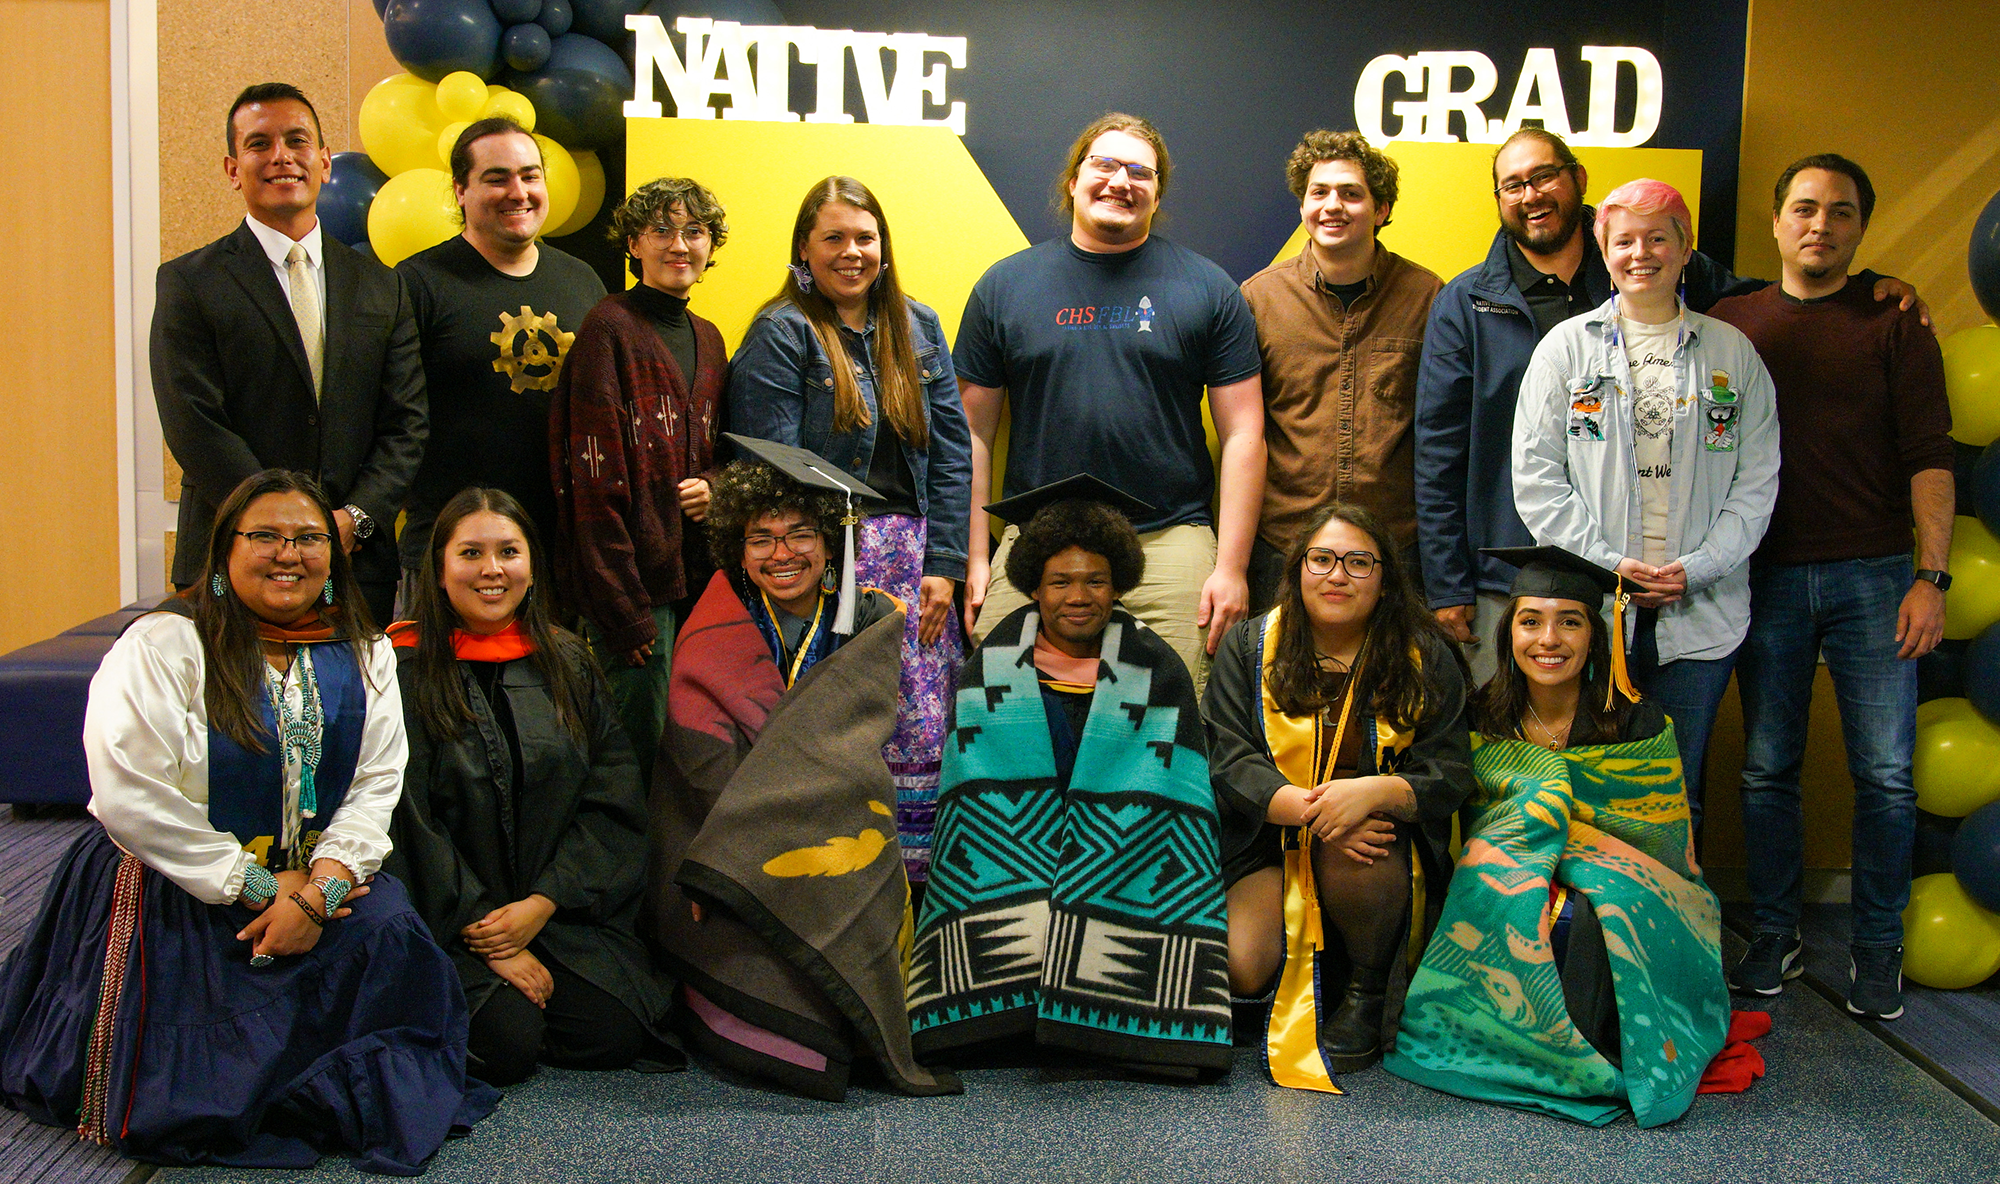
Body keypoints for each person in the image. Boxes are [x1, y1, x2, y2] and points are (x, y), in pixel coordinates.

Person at [0, 470, 493, 1173]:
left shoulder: (365, 651)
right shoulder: (164, 646)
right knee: (189, 1072)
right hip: (177, 875)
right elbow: (128, 795)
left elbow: (377, 783)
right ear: (225, 550)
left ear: (334, 554)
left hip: (319, 882)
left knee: (387, 929)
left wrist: (320, 891)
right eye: (264, 536)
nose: (287, 553)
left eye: (307, 538)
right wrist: (260, 888)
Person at [1414, 127, 1919, 685]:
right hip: (1508, 573)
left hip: (1674, 592)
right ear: (1499, 200)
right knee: (1534, 754)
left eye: (1544, 176)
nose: (1530, 194)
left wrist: (1865, 286)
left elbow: (1779, 297)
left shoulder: (1663, 265)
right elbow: (1439, 450)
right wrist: (1447, 584)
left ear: (1577, 179)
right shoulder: (1467, 300)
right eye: (1514, 184)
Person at [1709, 155, 1954, 1019]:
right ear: (1777, 224)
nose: (1821, 225)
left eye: (1841, 213)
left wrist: (1931, 577)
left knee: (1885, 775)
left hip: (1878, 578)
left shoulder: (1895, 321)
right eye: (1805, 210)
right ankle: (1776, 931)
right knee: (1766, 770)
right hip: (1763, 576)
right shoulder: (1727, 321)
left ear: (1860, 229)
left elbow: (1931, 455)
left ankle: (1877, 946)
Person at [649, 443, 956, 1101]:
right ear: (737, 546)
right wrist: (717, 856)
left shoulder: (870, 616)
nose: (780, 554)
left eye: (799, 535)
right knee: (793, 1040)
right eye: (760, 538)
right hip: (733, 828)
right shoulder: (719, 616)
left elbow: (853, 733)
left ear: (830, 541)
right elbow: (700, 753)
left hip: (832, 813)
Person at [1385, 547, 1729, 1129]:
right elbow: (1473, 824)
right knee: (1512, 901)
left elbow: (1664, 843)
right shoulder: (1480, 716)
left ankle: (1594, 1053)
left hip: (1629, 876)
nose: (1549, 639)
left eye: (1570, 621)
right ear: (1508, 633)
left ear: (1595, 637)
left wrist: (1585, 862)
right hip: (1508, 865)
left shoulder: (1636, 722)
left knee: (1603, 911)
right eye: (1530, 621)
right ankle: (1516, 1051)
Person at [909, 476, 1234, 1076]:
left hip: (1126, 874)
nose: (1077, 595)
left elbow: (1172, 805)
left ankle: (1115, 1021)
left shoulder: (1157, 671)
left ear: (1119, 587)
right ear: (1034, 585)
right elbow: (971, 805)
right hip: (1012, 877)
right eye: (1060, 581)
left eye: (1095, 581)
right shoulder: (990, 669)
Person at [955, 112, 1265, 683]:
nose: (1120, 181)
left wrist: (1232, 568)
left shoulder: (1208, 288)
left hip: (1170, 539)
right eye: (1104, 164)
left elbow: (1245, 434)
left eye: (1139, 172)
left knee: (1175, 729)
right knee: (1001, 709)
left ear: (1156, 193)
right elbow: (970, 435)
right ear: (1074, 180)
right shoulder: (1003, 286)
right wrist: (975, 557)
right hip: (1039, 539)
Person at [726, 175, 973, 884]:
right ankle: (847, 885)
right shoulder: (783, 332)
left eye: (865, 237)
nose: (852, 252)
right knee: (844, 728)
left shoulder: (918, 325)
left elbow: (952, 454)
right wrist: (828, 576)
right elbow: (771, 474)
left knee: (925, 731)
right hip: (833, 561)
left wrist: (946, 564)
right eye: (834, 237)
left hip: (920, 557)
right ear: (805, 247)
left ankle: (919, 891)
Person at [384, 487, 677, 1086]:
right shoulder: (403, 670)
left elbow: (610, 796)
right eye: (471, 553)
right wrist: (490, 928)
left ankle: (528, 977)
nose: (492, 570)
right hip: (451, 917)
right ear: (438, 571)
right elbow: (407, 817)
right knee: (507, 1048)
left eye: (508, 552)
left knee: (613, 1032)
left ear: (531, 566)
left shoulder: (567, 662)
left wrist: (542, 905)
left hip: (555, 913)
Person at [1511, 178, 1780, 826]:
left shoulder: (1731, 353)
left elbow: (1757, 479)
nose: (1642, 253)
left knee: (1676, 798)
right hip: (1596, 620)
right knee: (1584, 794)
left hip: (1703, 621)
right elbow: (1537, 479)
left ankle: (1664, 928)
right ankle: (1588, 930)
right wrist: (1608, 564)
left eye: (1659, 237)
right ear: (1603, 250)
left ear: (1685, 249)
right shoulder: (1566, 350)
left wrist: (1701, 567)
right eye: (1624, 239)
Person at [1205, 501, 1472, 1087]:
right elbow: (1227, 754)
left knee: (1357, 833)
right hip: (1270, 835)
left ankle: (1366, 992)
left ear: (1385, 578)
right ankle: (1321, 965)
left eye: (1358, 562)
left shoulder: (1425, 653)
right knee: (1244, 968)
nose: (1337, 575)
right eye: (1321, 559)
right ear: (1299, 568)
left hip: (1373, 842)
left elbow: (1450, 769)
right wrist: (1308, 809)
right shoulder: (1250, 646)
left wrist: (1378, 790)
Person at [153, 82, 426, 628]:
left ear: (324, 162)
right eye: (259, 144)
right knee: (236, 713)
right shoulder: (190, 282)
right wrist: (277, 531)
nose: (281, 156)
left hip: (354, 559)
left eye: (297, 141)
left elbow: (407, 425)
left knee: (351, 712)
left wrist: (354, 520)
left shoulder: (382, 287)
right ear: (233, 169)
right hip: (231, 557)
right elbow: (194, 422)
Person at [551, 176, 729, 784]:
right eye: (662, 230)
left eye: (694, 232)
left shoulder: (710, 337)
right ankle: (622, 882)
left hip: (696, 584)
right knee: (631, 763)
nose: (679, 245)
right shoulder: (609, 328)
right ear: (634, 243)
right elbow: (588, 480)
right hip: (633, 594)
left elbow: (719, 451)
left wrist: (716, 488)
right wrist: (620, 609)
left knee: (686, 756)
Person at [1240, 130, 1442, 611]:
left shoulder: (1428, 296)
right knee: (1277, 683)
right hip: (1284, 547)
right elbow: (1243, 431)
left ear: (1382, 210)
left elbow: (1445, 433)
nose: (1333, 205)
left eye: (1351, 193)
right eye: (1319, 192)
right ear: (1303, 205)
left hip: (1395, 550)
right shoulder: (1258, 299)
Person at [397, 118, 606, 574]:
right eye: (497, 178)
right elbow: (389, 421)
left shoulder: (583, 281)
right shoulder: (417, 285)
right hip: (454, 554)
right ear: (459, 190)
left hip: (561, 551)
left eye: (530, 176)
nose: (519, 192)